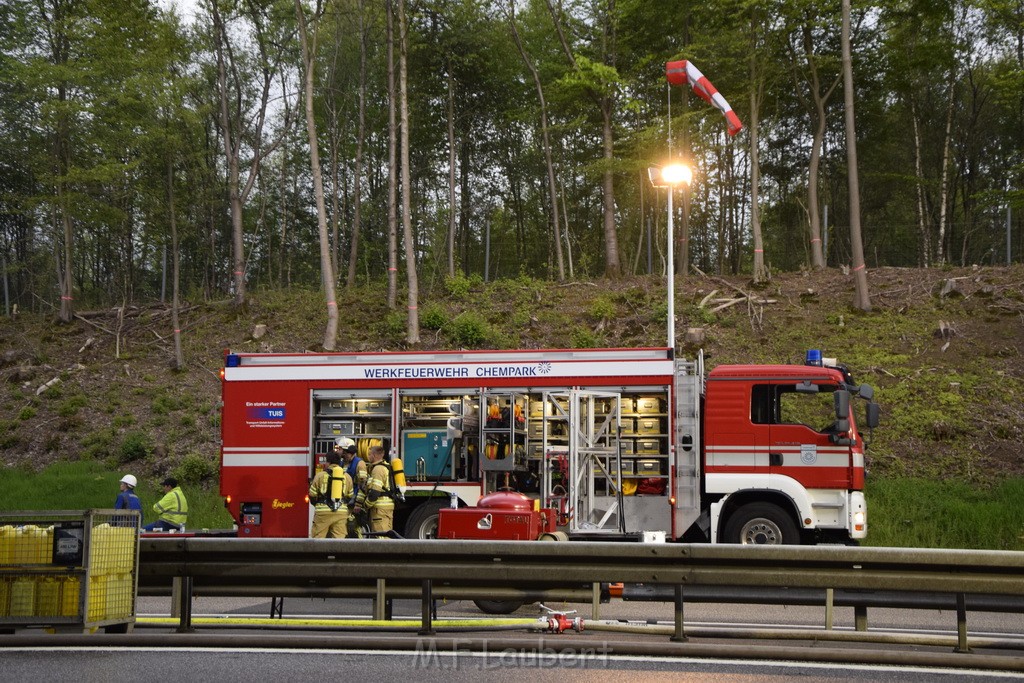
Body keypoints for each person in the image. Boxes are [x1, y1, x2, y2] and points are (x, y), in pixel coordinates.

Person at [309, 450, 353, 538]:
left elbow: (312, 495)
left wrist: (318, 504)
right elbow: (350, 496)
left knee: (318, 538)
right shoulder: (347, 477)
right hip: (341, 512)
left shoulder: (320, 476)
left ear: (328, 462)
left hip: (322, 512)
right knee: (339, 540)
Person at [352, 445, 395, 536]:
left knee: (380, 536)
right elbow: (365, 488)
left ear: (374, 456)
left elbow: (374, 493)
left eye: (369, 454)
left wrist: (365, 507)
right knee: (386, 535)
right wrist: (358, 504)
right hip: (384, 509)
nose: (368, 456)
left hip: (379, 509)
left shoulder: (378, 470)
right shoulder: (378, 467)